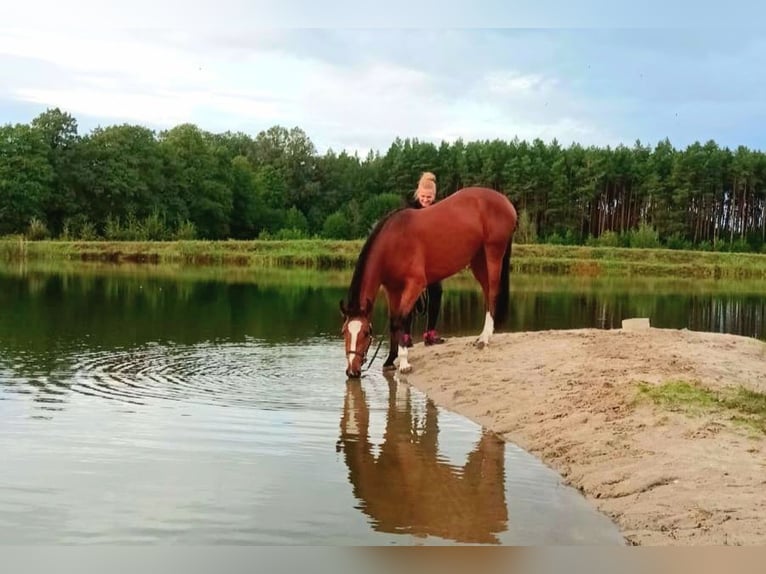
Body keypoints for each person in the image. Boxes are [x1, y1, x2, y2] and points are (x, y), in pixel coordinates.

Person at [403, 171, 445, 346]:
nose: (426, 200)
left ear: (434, 196)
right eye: (423, 196)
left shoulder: (438, 211)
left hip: (431, 261)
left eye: (429, 197)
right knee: (411, 296)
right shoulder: (408, 209)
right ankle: (406, 335)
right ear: (417, 193)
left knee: (437, 292)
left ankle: (430, 333)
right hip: (412, 261)